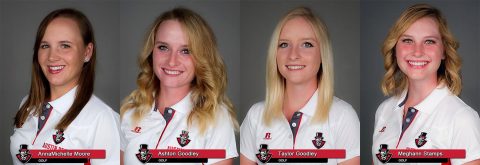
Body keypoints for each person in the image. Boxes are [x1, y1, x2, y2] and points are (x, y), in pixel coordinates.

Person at [240, 7, 360, 165]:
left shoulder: (343, 117)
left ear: (323, 54)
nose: (293, 55)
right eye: (283, 44)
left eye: (307, 44)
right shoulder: (255, 116)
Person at [120, 7, 238, 165]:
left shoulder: (216, 118)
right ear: (151, 52)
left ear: (202, 57)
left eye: (186, 51)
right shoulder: (129, 110)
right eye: (163, 47)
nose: (172, 61)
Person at [372, 4, 480, 165]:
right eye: (407, 40)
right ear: (395, 48)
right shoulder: (384, 111)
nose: (417, 51)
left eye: (429, 41)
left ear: (444, 51)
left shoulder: (462, 118)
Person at [10, 8, 120, 164]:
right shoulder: (27, 104)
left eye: (65, 45)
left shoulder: (102, 119)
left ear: (87, 52)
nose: (52, 57)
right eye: (45, 46)